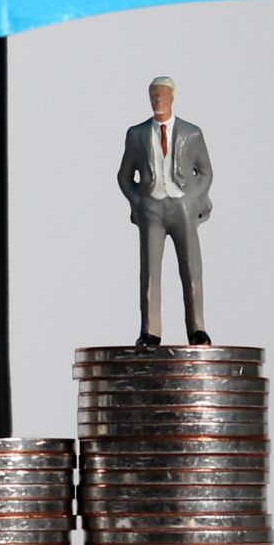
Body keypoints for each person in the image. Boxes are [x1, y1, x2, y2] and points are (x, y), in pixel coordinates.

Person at [116, 75, 214, 346]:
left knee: (191, 267)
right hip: (152, 209)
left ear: (172, 97)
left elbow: (205, 172)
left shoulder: (192, 133)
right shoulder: (136, 134)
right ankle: (150, 331)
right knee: (150, 270)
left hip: (181, 207)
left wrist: (191, 200)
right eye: (153, 95)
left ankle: (197, 328)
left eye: (162, 95)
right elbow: (124, 176)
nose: (158, 100)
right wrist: (139, 202)